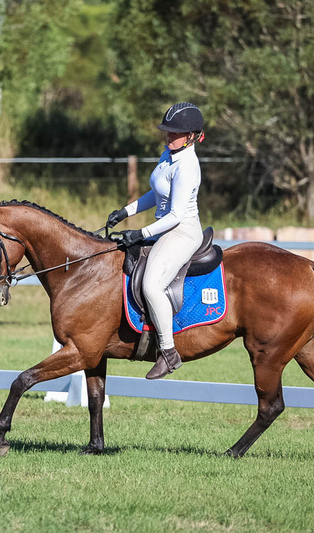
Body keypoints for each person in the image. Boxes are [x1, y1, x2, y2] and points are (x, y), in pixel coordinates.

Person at [108, 102, 205, 380]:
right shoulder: (169, 155)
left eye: (175, 133)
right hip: (164, 228)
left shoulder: (187, 166)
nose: (169, 136)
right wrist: (125, 212)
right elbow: (157, 193)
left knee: (152, 285)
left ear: (191, 136)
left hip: (182, 231)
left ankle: (168, 352)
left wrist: (141, 233)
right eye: (167, 132)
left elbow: (175, 214)